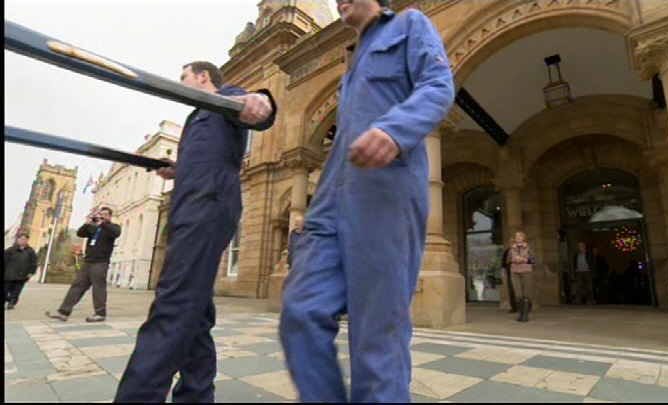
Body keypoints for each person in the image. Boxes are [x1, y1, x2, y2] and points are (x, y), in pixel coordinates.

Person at [279, 0, 455, 402]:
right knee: (301, 310)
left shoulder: (410, 25)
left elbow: (437, 85)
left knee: (377, 339)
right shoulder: (352, 62)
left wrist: (394, 130)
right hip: (331, 202)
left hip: (386, 195)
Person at [114, 61, 276, 402]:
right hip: (188, 206)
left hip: (207, 205)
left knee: (174, 302)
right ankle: (196, 395)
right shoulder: (195, 117)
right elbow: (209, 153)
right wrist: (178, 168)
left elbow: (258, 106)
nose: (181, 82)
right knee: (195, 311)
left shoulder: (225, 97)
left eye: (184, 77)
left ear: (203, 77)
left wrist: (261, 100)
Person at [46, 207, 121, 322]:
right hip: (88, 261)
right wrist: (87, 223)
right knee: (77, 285)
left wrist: (103, 224)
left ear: (110, 216)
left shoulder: (112, 227)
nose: (102, 216)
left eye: (105, 214)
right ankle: (63, 312)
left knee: (98, 287)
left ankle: (100, 313)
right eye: (101, 214)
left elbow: (116, 233)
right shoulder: (94, 228)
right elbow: (80, 233)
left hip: (100, 262)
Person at [4, 233, 38, 309]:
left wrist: (31, 272)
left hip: (22, 275)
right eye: (22, 239)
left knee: (16, 291)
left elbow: (34, 263)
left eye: (25, 239)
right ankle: (8, 299)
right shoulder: (10, 250)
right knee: (5, 290)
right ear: (18, 240)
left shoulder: (30, 251)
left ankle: (11, 303)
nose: (23, 241)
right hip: (8, 275)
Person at [507, 231, 535, 322]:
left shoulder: (529, 248)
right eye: (517, 236)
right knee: (518, 294)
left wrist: (523, 259)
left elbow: (533, 260)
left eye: (520, 236)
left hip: (526, 271)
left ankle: (525, 315)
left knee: (526, 293)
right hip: (515, 272)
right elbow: (508, 260)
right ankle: (520, 314)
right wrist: (514, 259)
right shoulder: (511, 249)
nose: (518, 237)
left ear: (523, 238)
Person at [501, 237, 518, 313]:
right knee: (511, 290)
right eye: (511, 242)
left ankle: (523, 307)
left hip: (520, 272)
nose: (512, 244)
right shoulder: (507, 252)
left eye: (514, 242)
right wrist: (504, 273)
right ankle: (514, 307)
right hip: (510, 273)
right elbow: (504, 264)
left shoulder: (521, 251)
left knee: (520, 291)